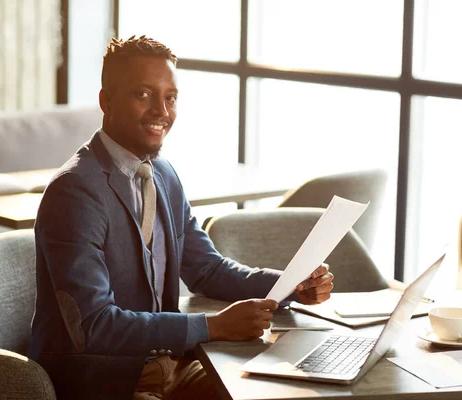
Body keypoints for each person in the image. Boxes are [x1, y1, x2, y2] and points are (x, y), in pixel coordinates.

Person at [29, 35, 334, 399]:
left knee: (283, 392)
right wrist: (212, 326)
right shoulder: (75, 191)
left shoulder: (163, 175)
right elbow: (94, 325)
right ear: (106, 101)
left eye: (170, 97)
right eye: (143, 94)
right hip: (105, 381)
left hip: (173, 367)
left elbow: (207, 270)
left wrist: (291, 285)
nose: (162, 110)